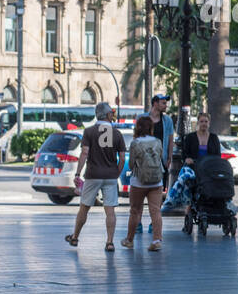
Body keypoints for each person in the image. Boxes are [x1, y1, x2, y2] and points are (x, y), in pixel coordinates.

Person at [66, 101, 127, 251]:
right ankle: (110, 242)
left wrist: (78, 173)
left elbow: (84, 153)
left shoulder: (89, 132)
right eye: (111, 113)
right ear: (107, 115)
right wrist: (116, 173)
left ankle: (75, 237)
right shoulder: (117, 133)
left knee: (84, 207)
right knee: (110, 210)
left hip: (93, 175)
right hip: (111, 176)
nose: (112, 115)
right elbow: (123, 158)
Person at [122, 115, 164, 252]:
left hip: (139, 182)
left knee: (135, 211)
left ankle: (129, 240)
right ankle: (156, 240)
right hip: (156, 182)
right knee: (155, 211)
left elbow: (131, 163)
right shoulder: (158, 141)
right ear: (151, 128)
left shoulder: (136, 143)